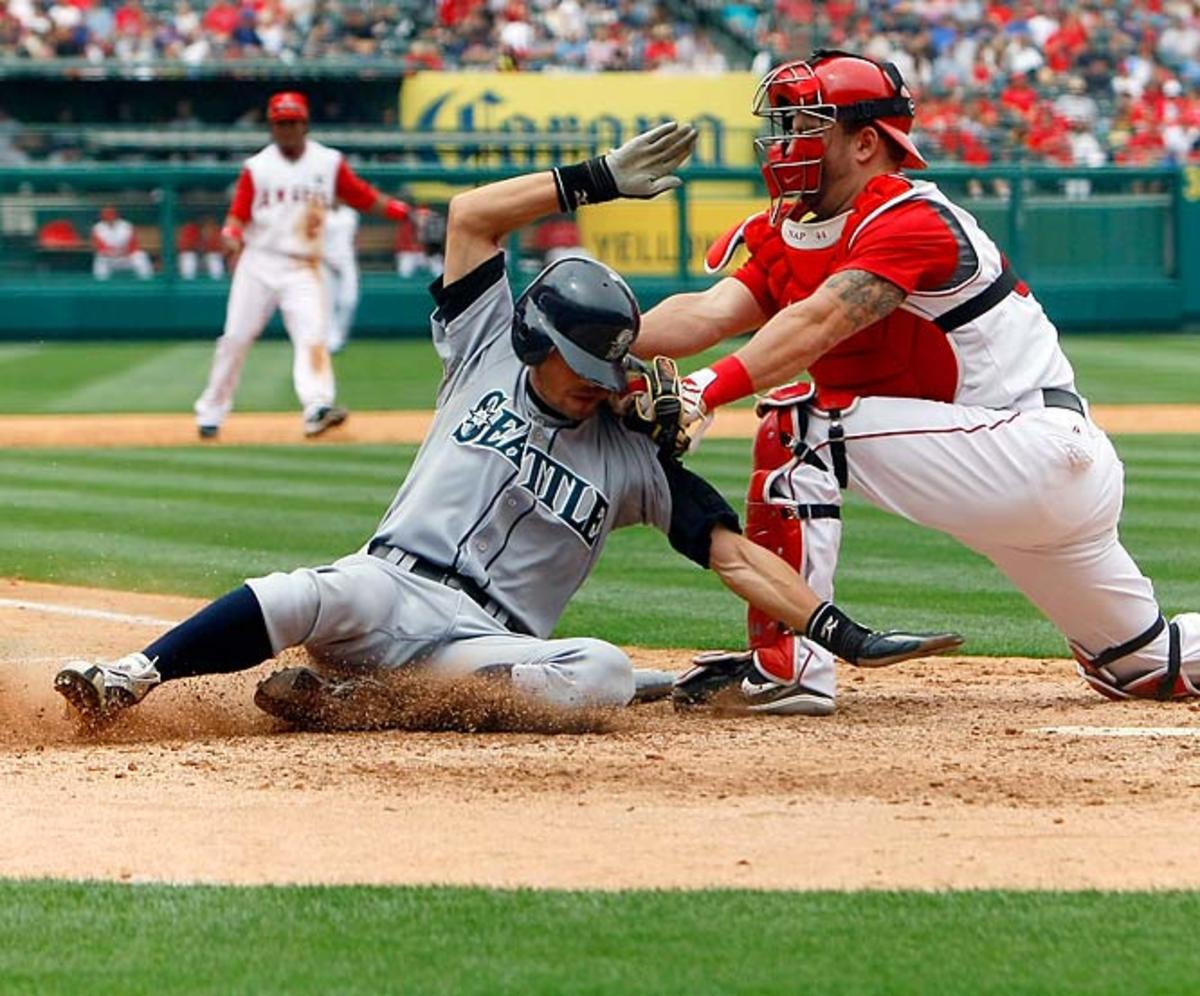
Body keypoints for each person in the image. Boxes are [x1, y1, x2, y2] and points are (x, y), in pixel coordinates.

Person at [53, 122, 960, 727]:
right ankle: (131, 676)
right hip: (391, 584)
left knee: (601, 673)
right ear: (537, 338)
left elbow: (734, 555)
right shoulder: (482, 341)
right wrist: (593, 179)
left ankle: (349, 705)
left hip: (486, 647)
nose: (603, 386)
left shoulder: (631, 450)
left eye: (615, 371)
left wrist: (838, 633)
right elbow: (471, 216)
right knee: (306, 592)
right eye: (588, 368)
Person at [634, 51, 1200, 710]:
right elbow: (707, 313)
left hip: (1035, 448)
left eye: (806, 124)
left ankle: (788, 665)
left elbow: (824, 319)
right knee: (1141, 668)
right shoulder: (798, 230)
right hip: (1001, 468)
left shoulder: (911, 218)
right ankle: (790, 664)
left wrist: (705, 388)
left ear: (867, 141)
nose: (786, 143)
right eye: (784, 125)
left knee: (801, 428)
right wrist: (602, 329)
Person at [193, 91, 411, 440]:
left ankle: (317, 407)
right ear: (271, 126)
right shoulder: (257, 167)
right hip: (259, 262)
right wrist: (231, 233)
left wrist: (404, 212)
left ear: (305, 124)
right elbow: (238, 213)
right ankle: (211, 412)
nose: (287, 130)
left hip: (304, 266)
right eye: (281, 123)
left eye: (293, 122)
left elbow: (363, 196)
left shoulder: (328, 162)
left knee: (313, 338)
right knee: (235, 338)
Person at [322, 202, 359, 354]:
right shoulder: (321, 213)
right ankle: (331, 341)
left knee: (349, 301)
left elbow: (355, 239)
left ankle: (341, 336)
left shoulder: (351, 214)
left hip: (347, 263)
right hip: (325, 262)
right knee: (327, 304)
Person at [91, 205, 153, 280]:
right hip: (109, 258)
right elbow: (99, 246)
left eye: (111, 215)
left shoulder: (126, 225)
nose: (109, 218)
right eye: (106, 215)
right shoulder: (97, 228)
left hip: (126, 256)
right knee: (100, 258)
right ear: (102, 216)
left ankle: (146, 281)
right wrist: (109, 252)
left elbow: (133, 244)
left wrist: (125, 252)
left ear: (116, 215)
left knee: (140, 255)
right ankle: (101, 284)